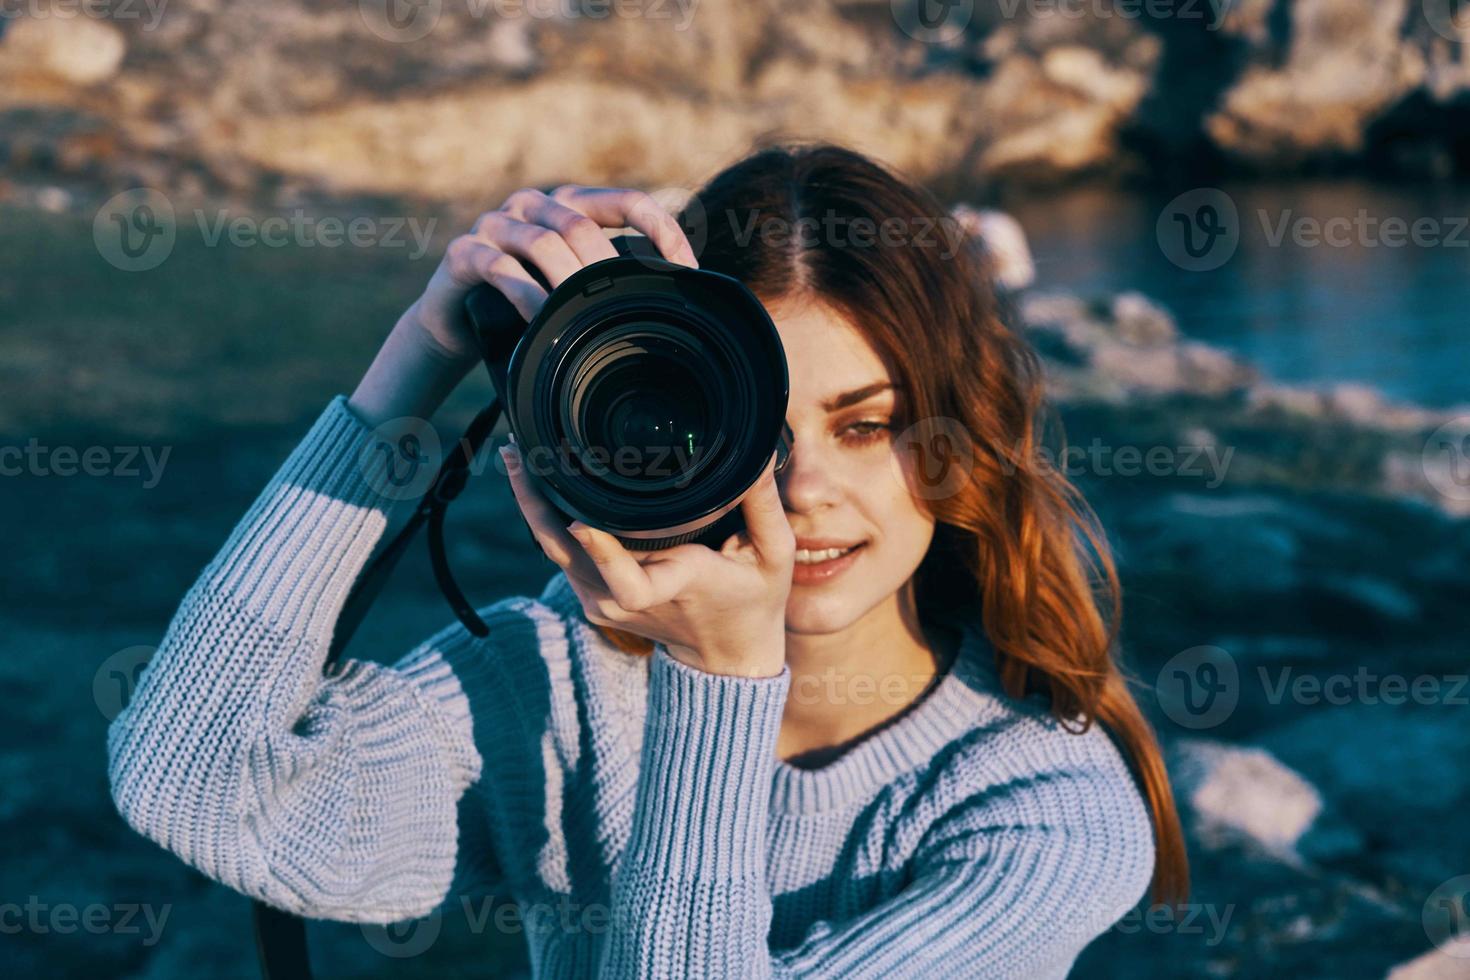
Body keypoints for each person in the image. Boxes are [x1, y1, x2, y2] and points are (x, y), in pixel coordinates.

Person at [106, 141, 1188, 978]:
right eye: (758, 429)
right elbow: (193, 778)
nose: (806, 486)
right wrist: (417, 362)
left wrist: (720, 682)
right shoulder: (562, 684)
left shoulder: (1043, 802)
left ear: (959, 441)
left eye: (868, 425)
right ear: (672, 417)